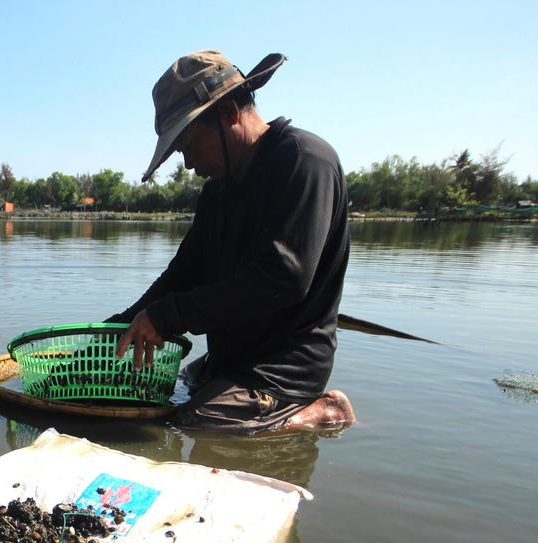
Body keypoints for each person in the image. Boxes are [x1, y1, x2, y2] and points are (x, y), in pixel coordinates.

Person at [108, 50, 355, 434]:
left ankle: (318, 411)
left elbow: (283, 279)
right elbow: (182, 275)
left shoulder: (305, 162)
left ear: (229, 114)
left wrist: (169, 316)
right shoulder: (217, 192)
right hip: (229, 361)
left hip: (284, 368)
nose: (188, 163)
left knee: (191, 424)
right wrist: (118, 327)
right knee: (163, 392)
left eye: (188, 143)